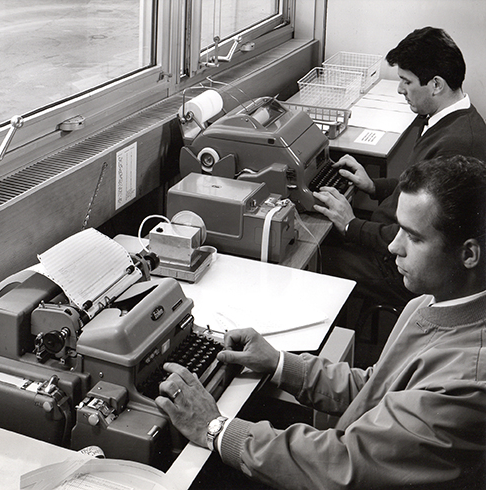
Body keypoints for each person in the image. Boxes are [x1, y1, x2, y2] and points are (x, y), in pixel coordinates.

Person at [155, 155, 486, 489]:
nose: (393, 245)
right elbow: (378, 387)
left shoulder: (467, 383)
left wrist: (215, 427)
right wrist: (280, 363)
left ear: (468, 254)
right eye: (398, 229)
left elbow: (345, 463)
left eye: (413, 237)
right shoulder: (432, 301)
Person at [313, 26, 486, 308]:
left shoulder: (456, 146)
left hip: (400, 265)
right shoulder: (451, 120)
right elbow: (425, 189)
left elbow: (418, 236)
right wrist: (373, 186)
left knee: (312, 253)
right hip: (392, 240)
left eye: (406, 81)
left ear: (436, 84)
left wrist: (350, 225)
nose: (399, 89)